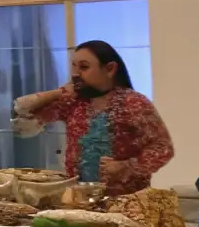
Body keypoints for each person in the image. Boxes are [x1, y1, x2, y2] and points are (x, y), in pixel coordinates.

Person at [14, 39, 174, 196]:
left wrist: (126, 167)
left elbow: (163, 148)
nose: (76, 74)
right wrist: (58, 92)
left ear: (110, 69)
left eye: (84, 67)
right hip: (77, 198)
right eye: (73, 66)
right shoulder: (73, 102)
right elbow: (22, 111)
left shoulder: (134, 103)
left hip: (126, 200)